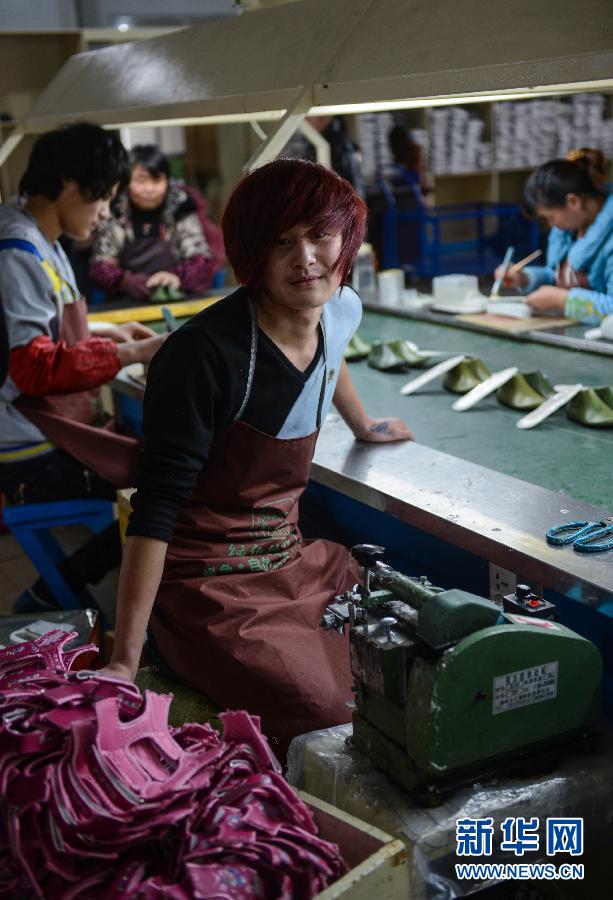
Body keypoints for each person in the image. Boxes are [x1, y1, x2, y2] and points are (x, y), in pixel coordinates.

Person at [101, 159, 412, 756]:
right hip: (205, 584)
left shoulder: (342, 307)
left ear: (347, 236)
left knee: (398, 654)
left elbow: (333, 350)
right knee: (324, 711)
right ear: (250, 253)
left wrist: (363, 424)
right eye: (281, 241)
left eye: (321, 234)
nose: (307, 259)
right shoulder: (201, 356)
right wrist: (123, 660)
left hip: (290, 558)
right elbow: (155, 510)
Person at [0, 122, 166, 613]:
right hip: (30, 452)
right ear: (72, 185)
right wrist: (133, 354)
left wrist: (107, 335)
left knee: (165, 480)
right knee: (166, 491)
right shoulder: (17, 252)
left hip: (49, 428)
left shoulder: (39, 237)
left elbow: (41, 328)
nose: (107, 212)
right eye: (104, 198)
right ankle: (53, 593)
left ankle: (56, 590)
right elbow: (31, 366)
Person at [90, 144, 221, 302]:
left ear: (167, 181)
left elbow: (201, 262)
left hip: (177, 302)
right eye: (141, 180)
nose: (149, 189)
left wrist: (176, 277)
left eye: (156, 180)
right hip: (125, 306)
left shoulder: (181, 210)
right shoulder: (115, 213)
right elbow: (99, 267)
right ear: (127, 182)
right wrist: (125, 281)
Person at [494, 150, 612, 319]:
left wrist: (562, 300)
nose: (551, 225)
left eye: (550, 217)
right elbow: (560, 276)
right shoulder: (571, 231)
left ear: (573, 202)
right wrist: (525, 278)